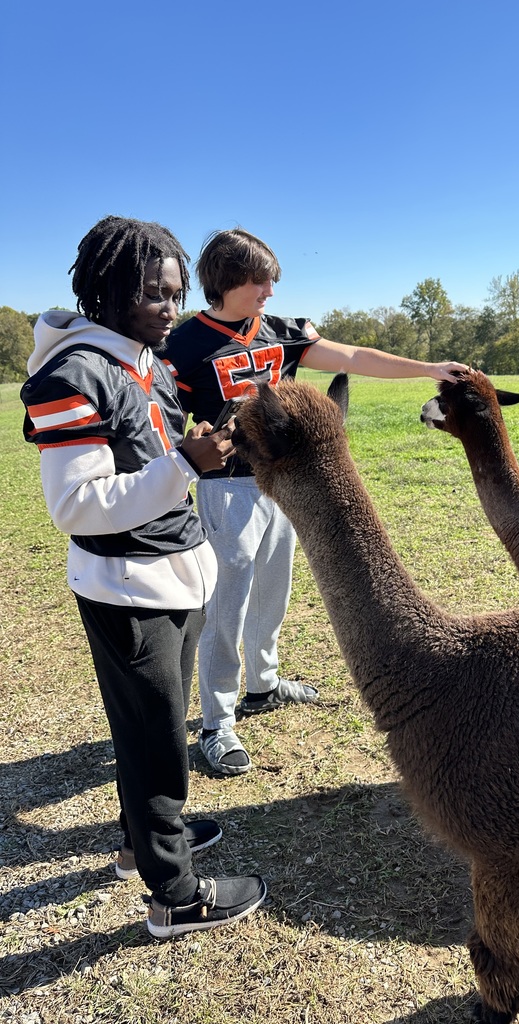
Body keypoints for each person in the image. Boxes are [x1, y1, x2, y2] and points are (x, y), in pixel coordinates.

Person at [20, 216, 266, 938]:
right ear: (107, 291)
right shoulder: (73, 372)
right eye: (154, 295)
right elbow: (75, 505)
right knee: (155, 739)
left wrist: (210, 440)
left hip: (173, 567)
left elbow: (156, 452)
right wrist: (187, 464)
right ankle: (174, 895)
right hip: (124, 582)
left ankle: (141, 841)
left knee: (151, 725)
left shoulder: (147, 361)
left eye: (175, 293)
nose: (170, 308)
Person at [165, 228, 468, 776]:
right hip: (226, 487)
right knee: (225, 603)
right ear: (229, 280)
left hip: (285, 482)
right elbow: (163, 418)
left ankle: (263, 683)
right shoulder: (184, 346)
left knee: (274, 587)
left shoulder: (281, 331)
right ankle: (218, 721)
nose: (269, 292)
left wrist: (426, 369)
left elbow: (352, 355)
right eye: (260, 281)